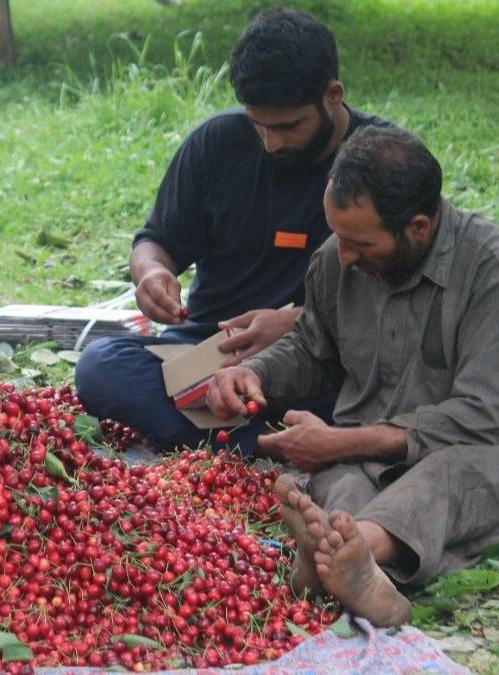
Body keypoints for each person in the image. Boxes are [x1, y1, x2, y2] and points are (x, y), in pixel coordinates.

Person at [205, 125, 499, 626]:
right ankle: (351, 560)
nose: (344, 256)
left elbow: (477, 420)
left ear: (418, 228)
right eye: (338, 236)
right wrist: (254, 372)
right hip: (365, 458)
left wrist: (341, 441)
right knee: (342, 482)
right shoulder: (337, 260)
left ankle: (356, 553)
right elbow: (311, 346)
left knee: (448, 476)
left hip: (486, 456)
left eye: (359, 243)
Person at [75, 7, 390, 452]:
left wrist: (299, 324)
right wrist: (151, 273)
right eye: (258, 124)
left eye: (287, 126)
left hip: (322, 355)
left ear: (333, 95)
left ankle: (233, 437)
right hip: (209, 350)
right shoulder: (216, 143)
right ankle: (267, 442)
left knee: (388, 394)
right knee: (101, 367)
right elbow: (156, 242)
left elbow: (403, 295)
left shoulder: (382, 161)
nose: (271, 143)